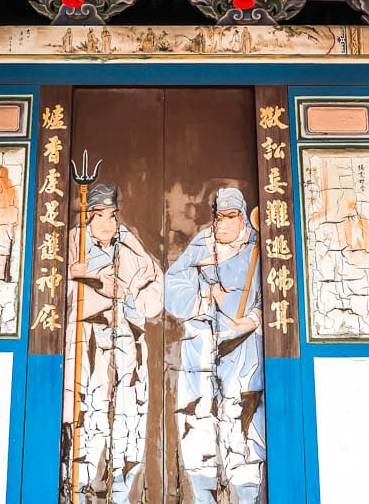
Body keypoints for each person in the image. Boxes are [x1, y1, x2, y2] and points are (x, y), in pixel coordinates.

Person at [62, 184, 163, 503]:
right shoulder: (71, 246)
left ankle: (121, 490)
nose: (108, 223)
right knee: (85, 414)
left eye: (113, 215)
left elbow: (154, 292)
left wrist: (130, 296)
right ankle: (78, 488)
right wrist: (76, 276)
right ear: (88, 216)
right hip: (85, 341)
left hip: (124, 342)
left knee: (125, 416)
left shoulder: (131, 246)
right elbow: (44, 286)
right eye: (99, 215)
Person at [165, 187, 265, 503]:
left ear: (242, 218)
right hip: (202, 349)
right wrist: (206, 298)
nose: (222, 225)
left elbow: (278, 294)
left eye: (230, 217)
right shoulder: (203, 244)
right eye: (218, 217)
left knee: (242, 426)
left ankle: (247, 495)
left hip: (244, 350)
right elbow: (173, 284)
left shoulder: (257, 248)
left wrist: (254, 319)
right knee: (198, 424)